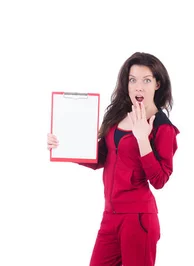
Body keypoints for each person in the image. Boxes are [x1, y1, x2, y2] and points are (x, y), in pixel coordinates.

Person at [46, 52, 179, 266]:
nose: (138, 87)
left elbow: (160, 180)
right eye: (132, 80)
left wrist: (143, 139)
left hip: (138, 219)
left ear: (157, 84)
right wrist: (64, 145)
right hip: (110, 215)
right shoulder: (119, 115)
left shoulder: (163, 127)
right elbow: (100, 158)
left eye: (146, 80)